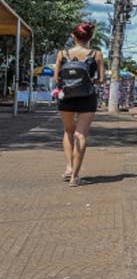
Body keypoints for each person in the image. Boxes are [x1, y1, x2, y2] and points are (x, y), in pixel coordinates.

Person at [52, 22, 104, 186]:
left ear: (73, 36)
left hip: (66, 96)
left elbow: (55, 79)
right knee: (80, 135)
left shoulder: (62, 54)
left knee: (68, 131)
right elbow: (101, 80)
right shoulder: (96, 54)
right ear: (90, 37)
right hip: (87, 97)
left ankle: (68, 168)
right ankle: (75, 177)